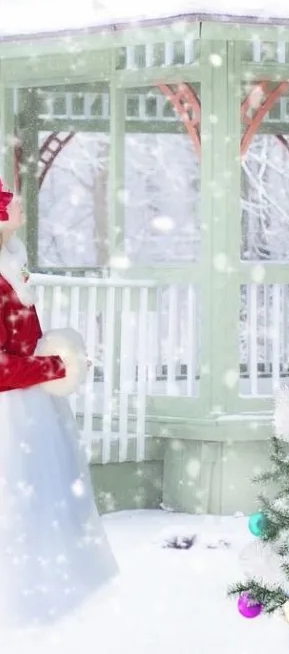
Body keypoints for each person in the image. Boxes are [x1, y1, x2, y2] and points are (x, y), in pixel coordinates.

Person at [0, 180, 118, 628]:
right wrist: (54, 368)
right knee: (15, 511)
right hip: (10, 421)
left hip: (30, 414)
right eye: (13, 210)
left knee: (37, 509)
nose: (22, 217)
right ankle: (17, 608)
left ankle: (36, 606)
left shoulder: (11, 268)